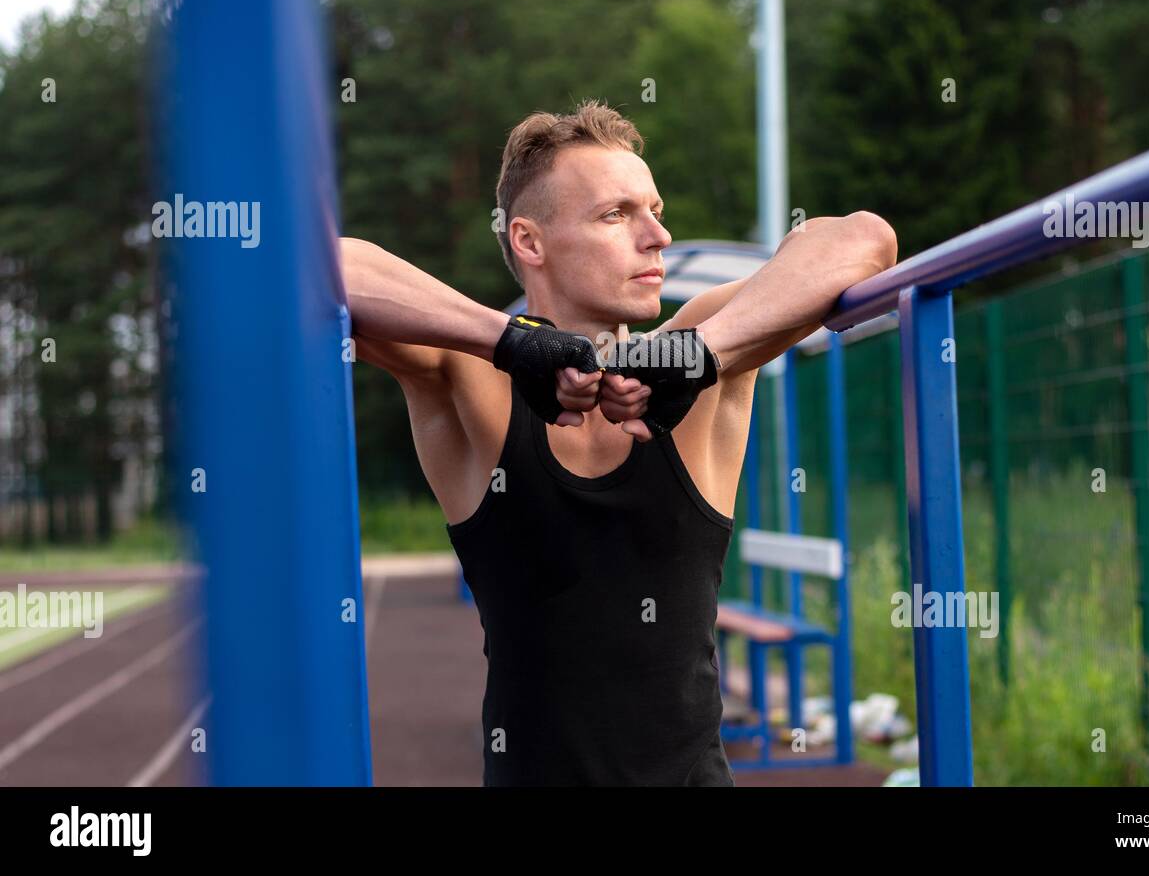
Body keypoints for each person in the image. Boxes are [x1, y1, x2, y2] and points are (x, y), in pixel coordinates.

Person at [340, 100, 896, 785]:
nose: (656, 236)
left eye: (655, 209)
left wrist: (695, 356)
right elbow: (329, 266)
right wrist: (512, 341)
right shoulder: (472, 379)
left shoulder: (705, 354)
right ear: (529, 241)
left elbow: (863, 240)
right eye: (616, 214)